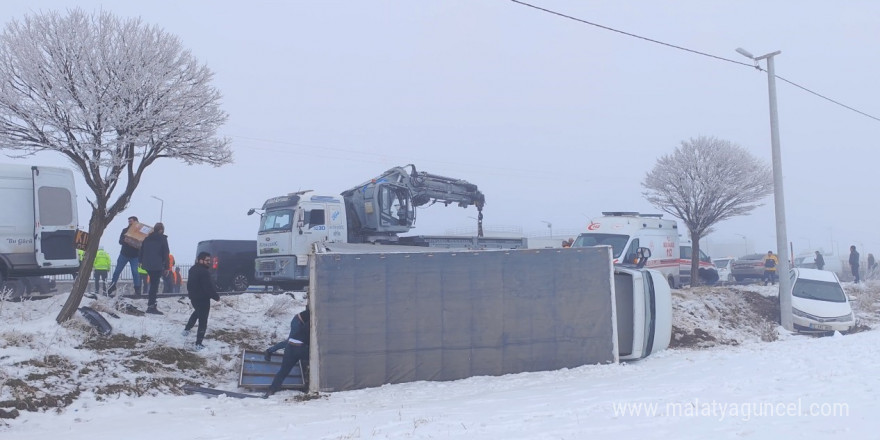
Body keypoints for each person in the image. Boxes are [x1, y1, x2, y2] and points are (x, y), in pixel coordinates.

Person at [263, 307, 310, 398]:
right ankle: (269, 351)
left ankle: (271, 390)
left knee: (291, 342)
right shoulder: (315, 318)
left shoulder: (316, 314)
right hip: (298, 321)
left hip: (291, 346)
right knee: (294, 343)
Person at [183, 252, 221, 350]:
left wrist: (191, 295)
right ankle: (198, 343)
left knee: (197, 313)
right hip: (203, 299)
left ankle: (187, 329)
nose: (209, 262)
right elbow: (208, 287)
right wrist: (216, 297)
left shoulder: (192, 269)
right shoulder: (204, 272)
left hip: (194, 298)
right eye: (207, 260)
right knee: (203, 321)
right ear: (200, 260)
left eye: (209, 260)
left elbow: (190, 285)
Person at [139, 222, 170, 314]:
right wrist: (167, 267)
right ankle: (151, 306)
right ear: (161, 230)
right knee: (154, 285)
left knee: (153, 284)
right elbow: (166, 253)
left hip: (147, 265)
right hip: (157, 265)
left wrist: (140, 261)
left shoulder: (147, 238)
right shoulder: (163, 239)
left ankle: (151, 304)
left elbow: (141, 250)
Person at [108, 216, 142, 296]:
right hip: (124, 254)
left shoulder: (140, 232)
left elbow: (142, 244)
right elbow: (120, 241)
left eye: (131, 221)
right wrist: (125, 240)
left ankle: (137, 289)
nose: (129, 223)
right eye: (129, 221)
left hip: (134, 256)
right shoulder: (125, 230)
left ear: (136, 222)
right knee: (117, 271)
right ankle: (112, 286)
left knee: (135, 272)